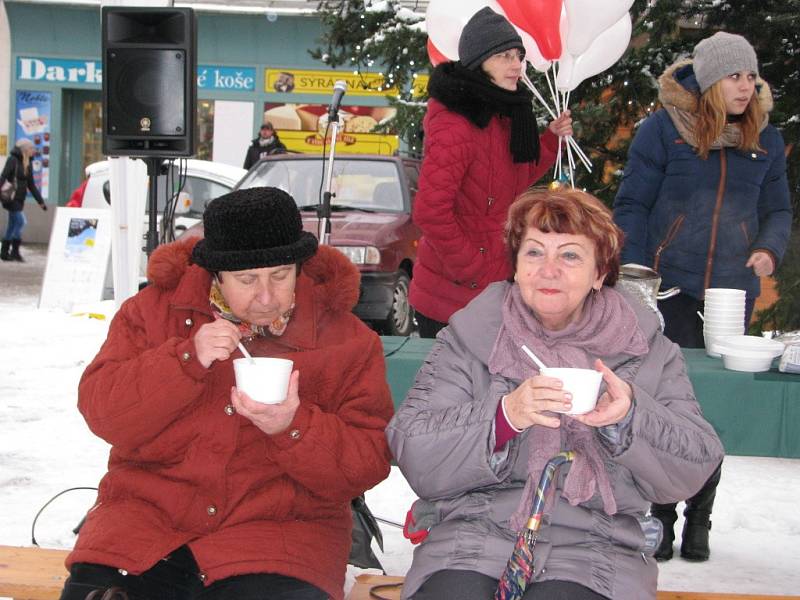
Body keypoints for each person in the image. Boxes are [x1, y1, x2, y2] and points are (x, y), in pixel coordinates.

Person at [386, 188, 724, 600]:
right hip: (472, 540)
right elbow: (412, 448)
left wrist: (630, 417)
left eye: (569, 255)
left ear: (600, 273)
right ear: (515, 265)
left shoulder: (645, 349)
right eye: (534, 253)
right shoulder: (472, 336)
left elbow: (696, 464)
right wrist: (503, 417)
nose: (548, 270)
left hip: (597, 549)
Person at [60, 187, 394, 600]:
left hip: (280, 541)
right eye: (247, 279)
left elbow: (368, 462)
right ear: (216, 274)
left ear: (300, 266)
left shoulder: (347, 341)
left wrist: (294, 426)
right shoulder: (153, 313)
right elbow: (104, 414)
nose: (267, 295)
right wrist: (186, 360)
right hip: (145, 529)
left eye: (280, 274)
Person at [613, 32, 791, 562]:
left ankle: (700, 520)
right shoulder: (663, 130)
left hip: (731, 295)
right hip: (669, 290)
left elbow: (778, 210)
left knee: (709, 414)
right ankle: (663, 517)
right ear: (712, 82)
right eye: (736, 77)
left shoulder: (766, 138)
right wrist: (638, 278)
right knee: (669, 410)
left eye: (752, 77)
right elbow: (632, 206)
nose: (747, 86)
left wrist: (767, 249)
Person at [410, 7, 573, 338]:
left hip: (493, 289)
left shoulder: (502, 112)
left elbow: (508, 181)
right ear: (479, 62)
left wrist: (550, 140)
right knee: (454, 389)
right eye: (504, 56)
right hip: (452, 298)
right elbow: (430, 212)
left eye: (518, 56)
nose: (516, 66)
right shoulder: (457, 122)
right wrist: (474, 268)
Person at [1, 138, 47, 262]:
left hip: (20, 199)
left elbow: (31, 185)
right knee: (21, 222)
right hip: (11, 198)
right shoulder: (13, 160)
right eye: (32, 148)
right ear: (25, 149)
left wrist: (40, 202)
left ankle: (5, 253)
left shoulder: (28, 163)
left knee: (12, 225)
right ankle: (14, 252)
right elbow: (3, 176)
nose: (34, 151)